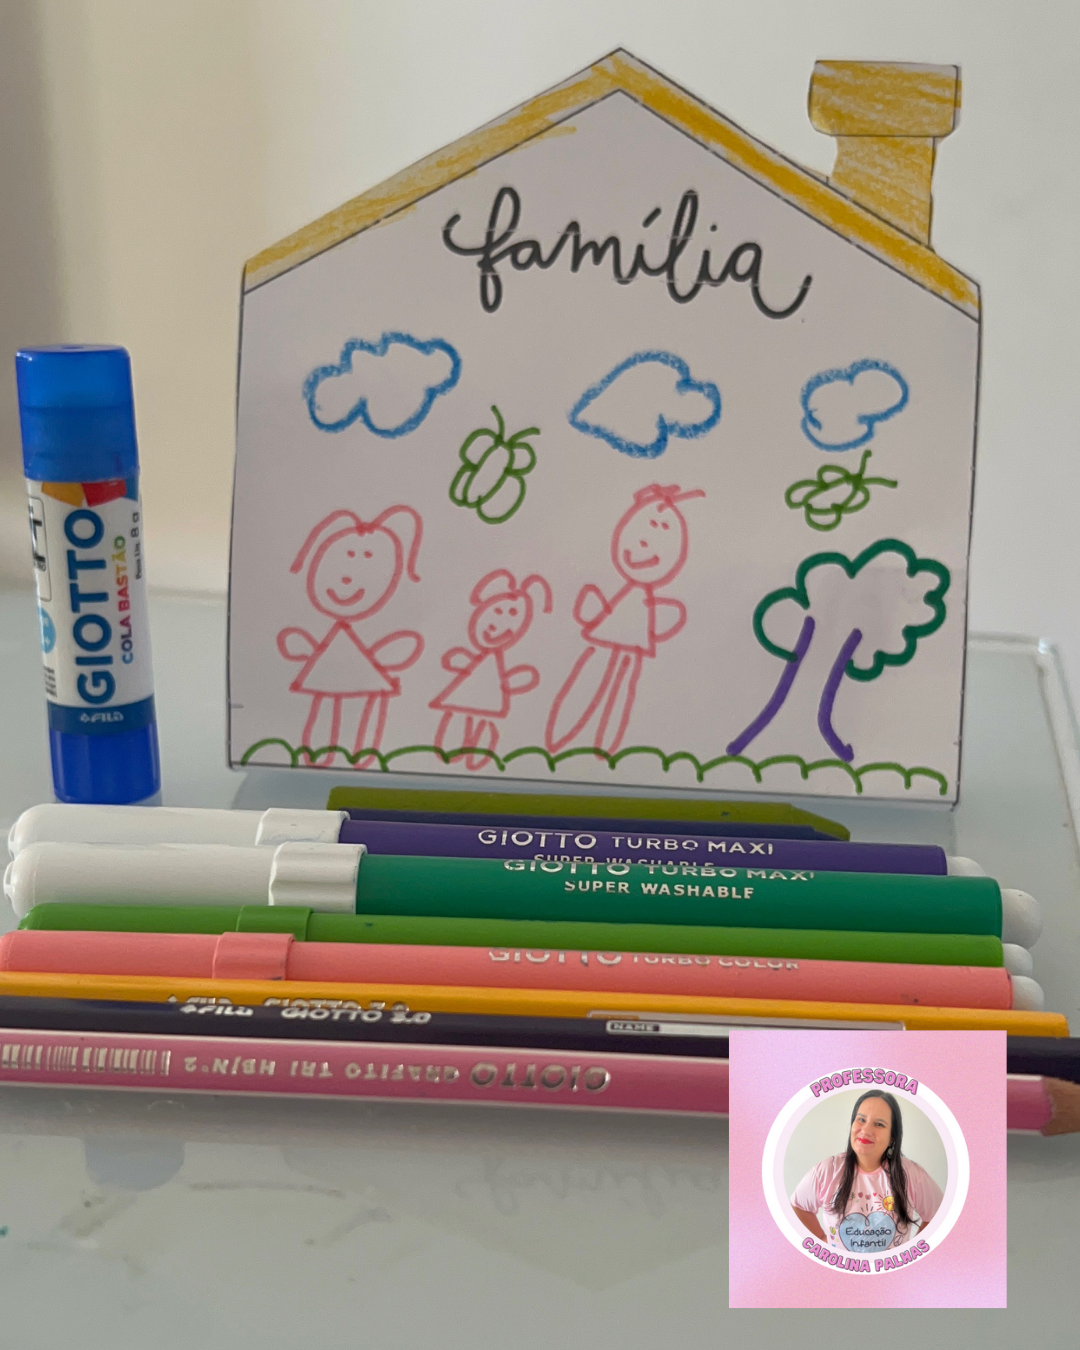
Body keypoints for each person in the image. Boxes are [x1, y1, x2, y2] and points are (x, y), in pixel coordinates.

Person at [790, 1091, 943, 1254]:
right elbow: (798, 1207)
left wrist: (912, 1252)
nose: (866, 1130)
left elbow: (941, 1215)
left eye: (879, 1124)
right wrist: (821, 1238)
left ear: (892, 1137)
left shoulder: (911, 1175)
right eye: (861, 1120)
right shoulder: (827, 1171)